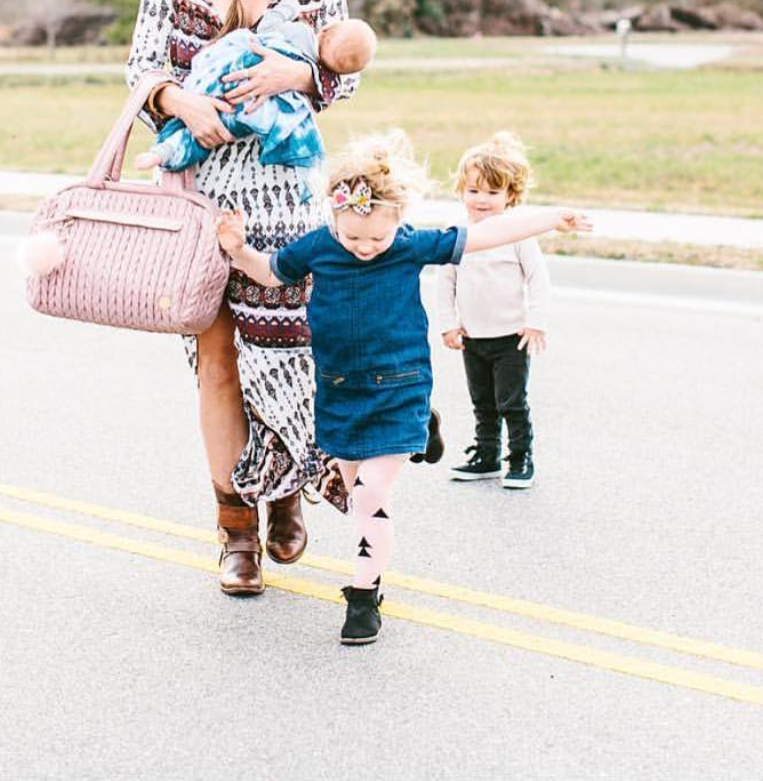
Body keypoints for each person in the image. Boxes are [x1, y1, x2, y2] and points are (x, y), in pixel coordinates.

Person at [215, 132, 590, 643]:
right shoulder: (319, 247)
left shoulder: (411, 244)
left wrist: (552, 219)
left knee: (370, 497)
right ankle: (425, 429)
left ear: (397, 221)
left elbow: (481, 236)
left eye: (376, 239)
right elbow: (270, 274)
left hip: (399, 386)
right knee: (353, 491)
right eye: (353, 238)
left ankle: (364, 597)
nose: (365, 248)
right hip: (340, 392)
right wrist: (237, 250)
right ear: (334, 220)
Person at [125, 0, 359, 596]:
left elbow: (340, 71)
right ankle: (237, 531)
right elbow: (142, 65)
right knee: (218, 361)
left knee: (287, 350)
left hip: (286, 192)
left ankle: (286, 487)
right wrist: (182, 102)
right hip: (201, 192)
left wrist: (286, 77)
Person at [135, 6, 376, 173]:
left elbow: (267, 27)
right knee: (202, 132)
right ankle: (163, 153)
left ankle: (160, 153)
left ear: (324, 30)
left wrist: (287, 10)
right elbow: (140, 67)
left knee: (202, 123)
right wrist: (179, 102)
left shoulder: (301, 28)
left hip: (225, 80)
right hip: (253, 115)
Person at [438, 133, 550, 488]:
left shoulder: (518, 235)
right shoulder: (458, 235)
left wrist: (536, 323)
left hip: (510, 338)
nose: (481, 200)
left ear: (510, 196)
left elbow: (539, 280)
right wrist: (448, 325)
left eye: (492, 192)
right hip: (473, 336)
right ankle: (486, 455)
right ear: (460, 192)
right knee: (482, 402)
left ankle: (520, 459)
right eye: (473, 191)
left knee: (511, 403)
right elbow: (445, 283)